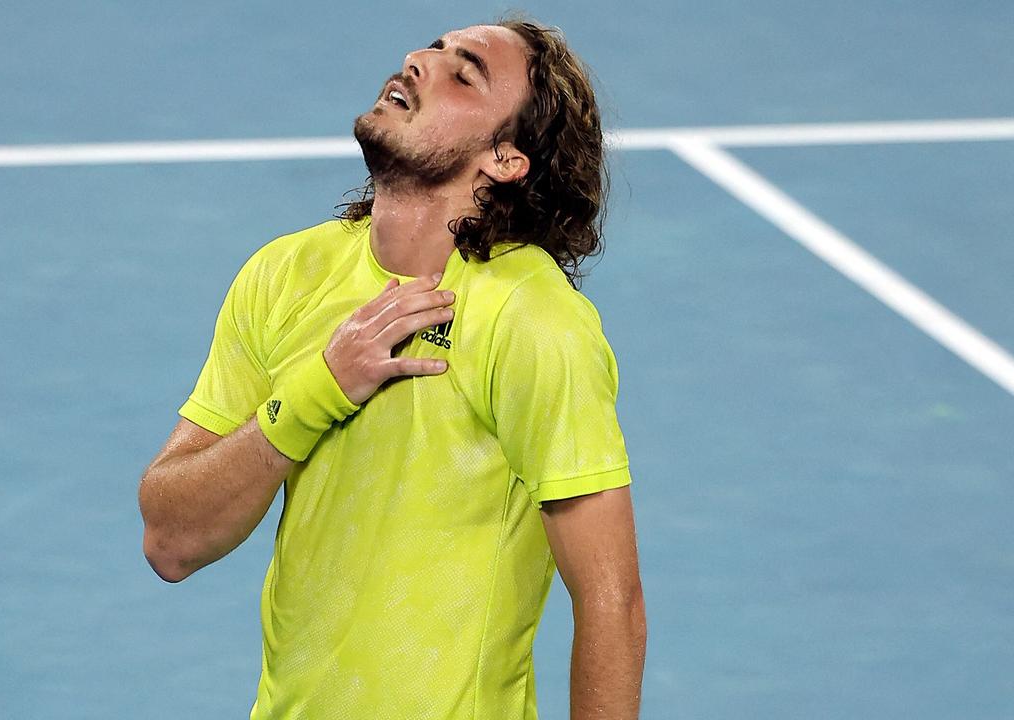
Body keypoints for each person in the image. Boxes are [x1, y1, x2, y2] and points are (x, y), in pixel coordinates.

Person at [137, 15, 645, 720]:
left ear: (506, 159)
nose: (419, 61)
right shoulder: (287, 273)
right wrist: (318, 390)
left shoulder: (531, 321)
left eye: (463, 73)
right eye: (432, 48)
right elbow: (171, 540)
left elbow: (611, 602)